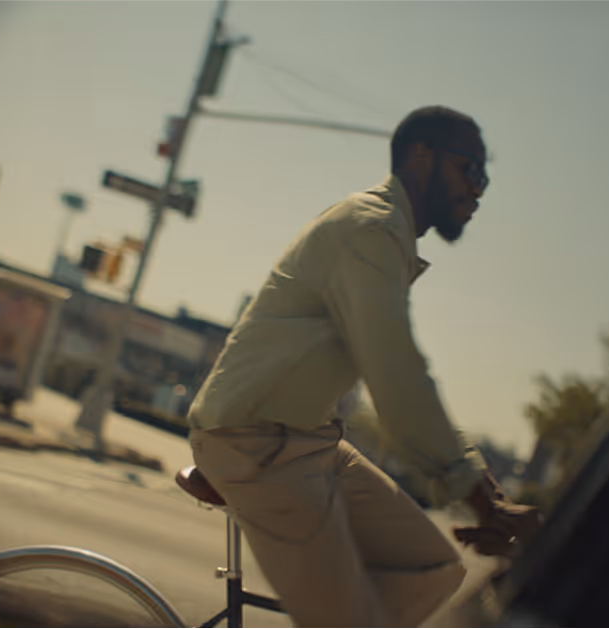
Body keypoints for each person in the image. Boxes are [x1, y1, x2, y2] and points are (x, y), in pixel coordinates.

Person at [186, 105, 541, 627]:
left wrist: (486, 493)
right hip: (252, 439)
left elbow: (404, 376)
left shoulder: (389, 238)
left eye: (484, 176)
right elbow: (397, 380)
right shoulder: (371, 231)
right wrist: (482, 504)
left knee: (435, 568)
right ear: (422, 158)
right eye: (471, 170)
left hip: (310, 441)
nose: (479, 189)